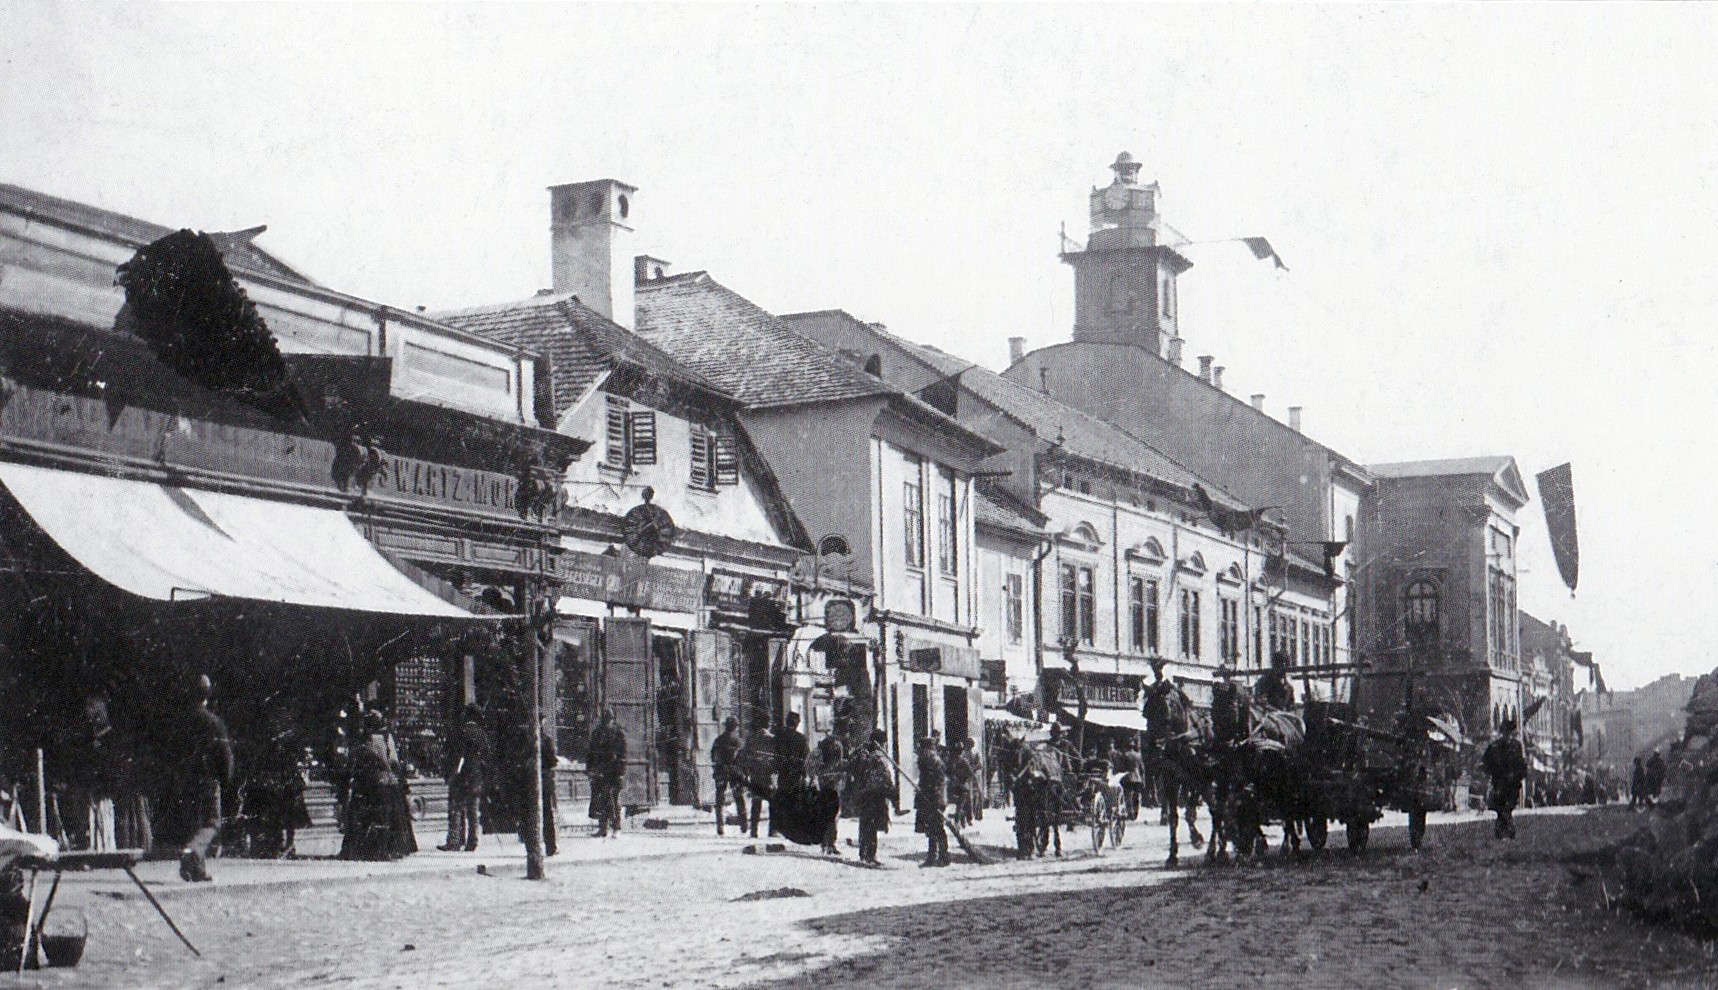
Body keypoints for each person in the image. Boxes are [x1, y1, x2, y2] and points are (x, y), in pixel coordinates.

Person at [339, 710, 417, 861]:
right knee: (392, 817)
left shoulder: (364, 740)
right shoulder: (387, 738)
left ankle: (363, 850)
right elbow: (394, 761)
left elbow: (355, 762)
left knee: (366, 817)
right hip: (389, 782)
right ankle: (392, 849)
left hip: (368, 784)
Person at [180, 675, 233, 883]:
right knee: (211, 823)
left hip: (186, 778)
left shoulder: (183, 722)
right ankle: (192, 853)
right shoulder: (213, 722)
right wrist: (226, 778)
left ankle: (195, 869)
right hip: (209, 779)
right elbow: (225, 754)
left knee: (194, 824)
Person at [439, 706, 489, 851]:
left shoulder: (461, 732)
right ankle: (472, 841)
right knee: (473, 811)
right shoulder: (481, 734)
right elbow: (486, 756)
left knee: (456, 809)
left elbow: (454, 754)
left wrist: (451, 773)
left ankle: (455, 840)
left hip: (461, 776)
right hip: (476, 777)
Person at [847, 729, 895, 866]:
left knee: (865, 824)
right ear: (883, 742)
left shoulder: (863, 755)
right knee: (872, 826)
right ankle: (870, 855)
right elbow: (885, 779)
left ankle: (863, 854)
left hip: (863, 795)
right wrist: (894, 794)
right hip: (876, 796)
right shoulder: (879, 758)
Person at [1481, 718, 1528, 840]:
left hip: (1512, 784)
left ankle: (1506, 831)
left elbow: (1522, 765)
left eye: (1510, 732)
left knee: (1508, 807)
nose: (1507, 735)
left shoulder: (1517, 746)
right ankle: (1504, 831)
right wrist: (1491, 774)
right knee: (1501, 808)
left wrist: (1517, 776)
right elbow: (1485, 764)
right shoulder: (1494, 747)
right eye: (1505, 732)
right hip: (1499, 784)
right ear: (1502, 732)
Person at [586, 708, 627, 838]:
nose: (606, 723)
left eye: (608, 720)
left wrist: (620, 772)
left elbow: (623, 756)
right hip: (600, 772)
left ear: (612, 720)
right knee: (601, 800)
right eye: (604, 720)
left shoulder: (618, 734)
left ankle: (616, 827)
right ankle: (603, 828)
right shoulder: (597, 733)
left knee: (613, 800)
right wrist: (590, 769)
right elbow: (591, 753)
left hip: (614, 772)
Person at [915, 737, 949, 868]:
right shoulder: (926, 761)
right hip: (928, 799)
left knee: (938, 828)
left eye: (923, 749)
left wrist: (933, 796)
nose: (921, 752)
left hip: (936, 799)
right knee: (930, 829)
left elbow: (940, 782)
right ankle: (931, 857)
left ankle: (944, 857)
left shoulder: (936, 762)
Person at [810, 731, 846, 854]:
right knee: (834, 814)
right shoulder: (837, 745)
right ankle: (830, 844)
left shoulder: (822, 746)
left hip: (823, 782)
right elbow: (839, 763)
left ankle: (824, 843)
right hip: (834, 784)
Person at [710, 717, 746, 836]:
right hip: (735, 772)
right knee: (739, 798)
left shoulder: (718, 740)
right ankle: (743, 824)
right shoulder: (738, 741)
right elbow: (743, 758)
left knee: (719, 799)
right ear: (735, 727)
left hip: (721, 771)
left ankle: (720, 826)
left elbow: (713, 757)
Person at [741, 726, 776, 838]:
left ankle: (754, 831)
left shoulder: (751, 739)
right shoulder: (772, 739)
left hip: (756, 775)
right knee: (773, 803)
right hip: (767, 775)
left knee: (756, 804)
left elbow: (745, 757)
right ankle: (772, 831)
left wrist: (748, 771)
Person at [774, 712, 810, 794]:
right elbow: (806, 758)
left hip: (783, 774)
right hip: (796, 775)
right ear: (797, 723)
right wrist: (805, 774)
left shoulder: (779, 736)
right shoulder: (801, 738)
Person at [540, 721, 559, 857]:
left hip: (527, 781)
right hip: (545, 780)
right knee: (548, 814)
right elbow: (552, 761)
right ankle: (550, 847)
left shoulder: (523, 737)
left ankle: (531, 846)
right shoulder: (546, 740)